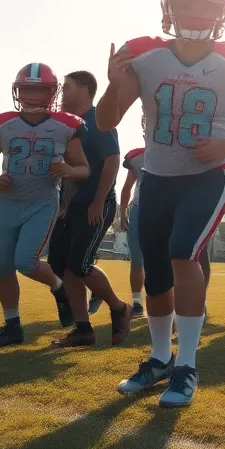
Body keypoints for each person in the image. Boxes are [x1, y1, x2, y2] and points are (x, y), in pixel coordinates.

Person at [96, 0, 225, 408]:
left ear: (220, 14)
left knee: (182, 253)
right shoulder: (145, 56)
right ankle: (159, 357)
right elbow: (104, 122)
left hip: (206, 176)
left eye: (204, 6)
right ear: (168, 7)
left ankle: (187, 364)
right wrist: (113, 83)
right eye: (186, 4)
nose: (193, 13)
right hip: (156, 178)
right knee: (156, 271)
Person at [0, 63, 89, 348]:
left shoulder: (66, 125)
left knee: (25, 262)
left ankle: (58, 287)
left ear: (51, 92)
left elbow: (84, 169)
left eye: (39, 89)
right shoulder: (2, 124)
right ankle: (12, 326)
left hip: (41, 202)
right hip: (7, 203)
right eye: (28, 89)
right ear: (18, 91)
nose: (33, 95)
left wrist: (67, 169)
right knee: (2, 266)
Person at [49, 71, 131, 347]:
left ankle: (119, 307)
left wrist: (98, 200)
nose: (61, 93)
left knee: (79, 264)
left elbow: (112, 161)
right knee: (60, 266)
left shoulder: (99, 120)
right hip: (70, 206)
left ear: (84, 89)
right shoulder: (67, 125)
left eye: (67, 87)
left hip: (95, 203)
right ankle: (83, 329)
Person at [120, 137, 146, 317]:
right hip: (139, 210)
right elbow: (127, 186)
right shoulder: (138, 157)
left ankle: (169, 300)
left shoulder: (176, 154)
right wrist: (122, 213)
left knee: (166, 260)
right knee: (137, 259)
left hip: (166, 211)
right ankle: (137, 302)